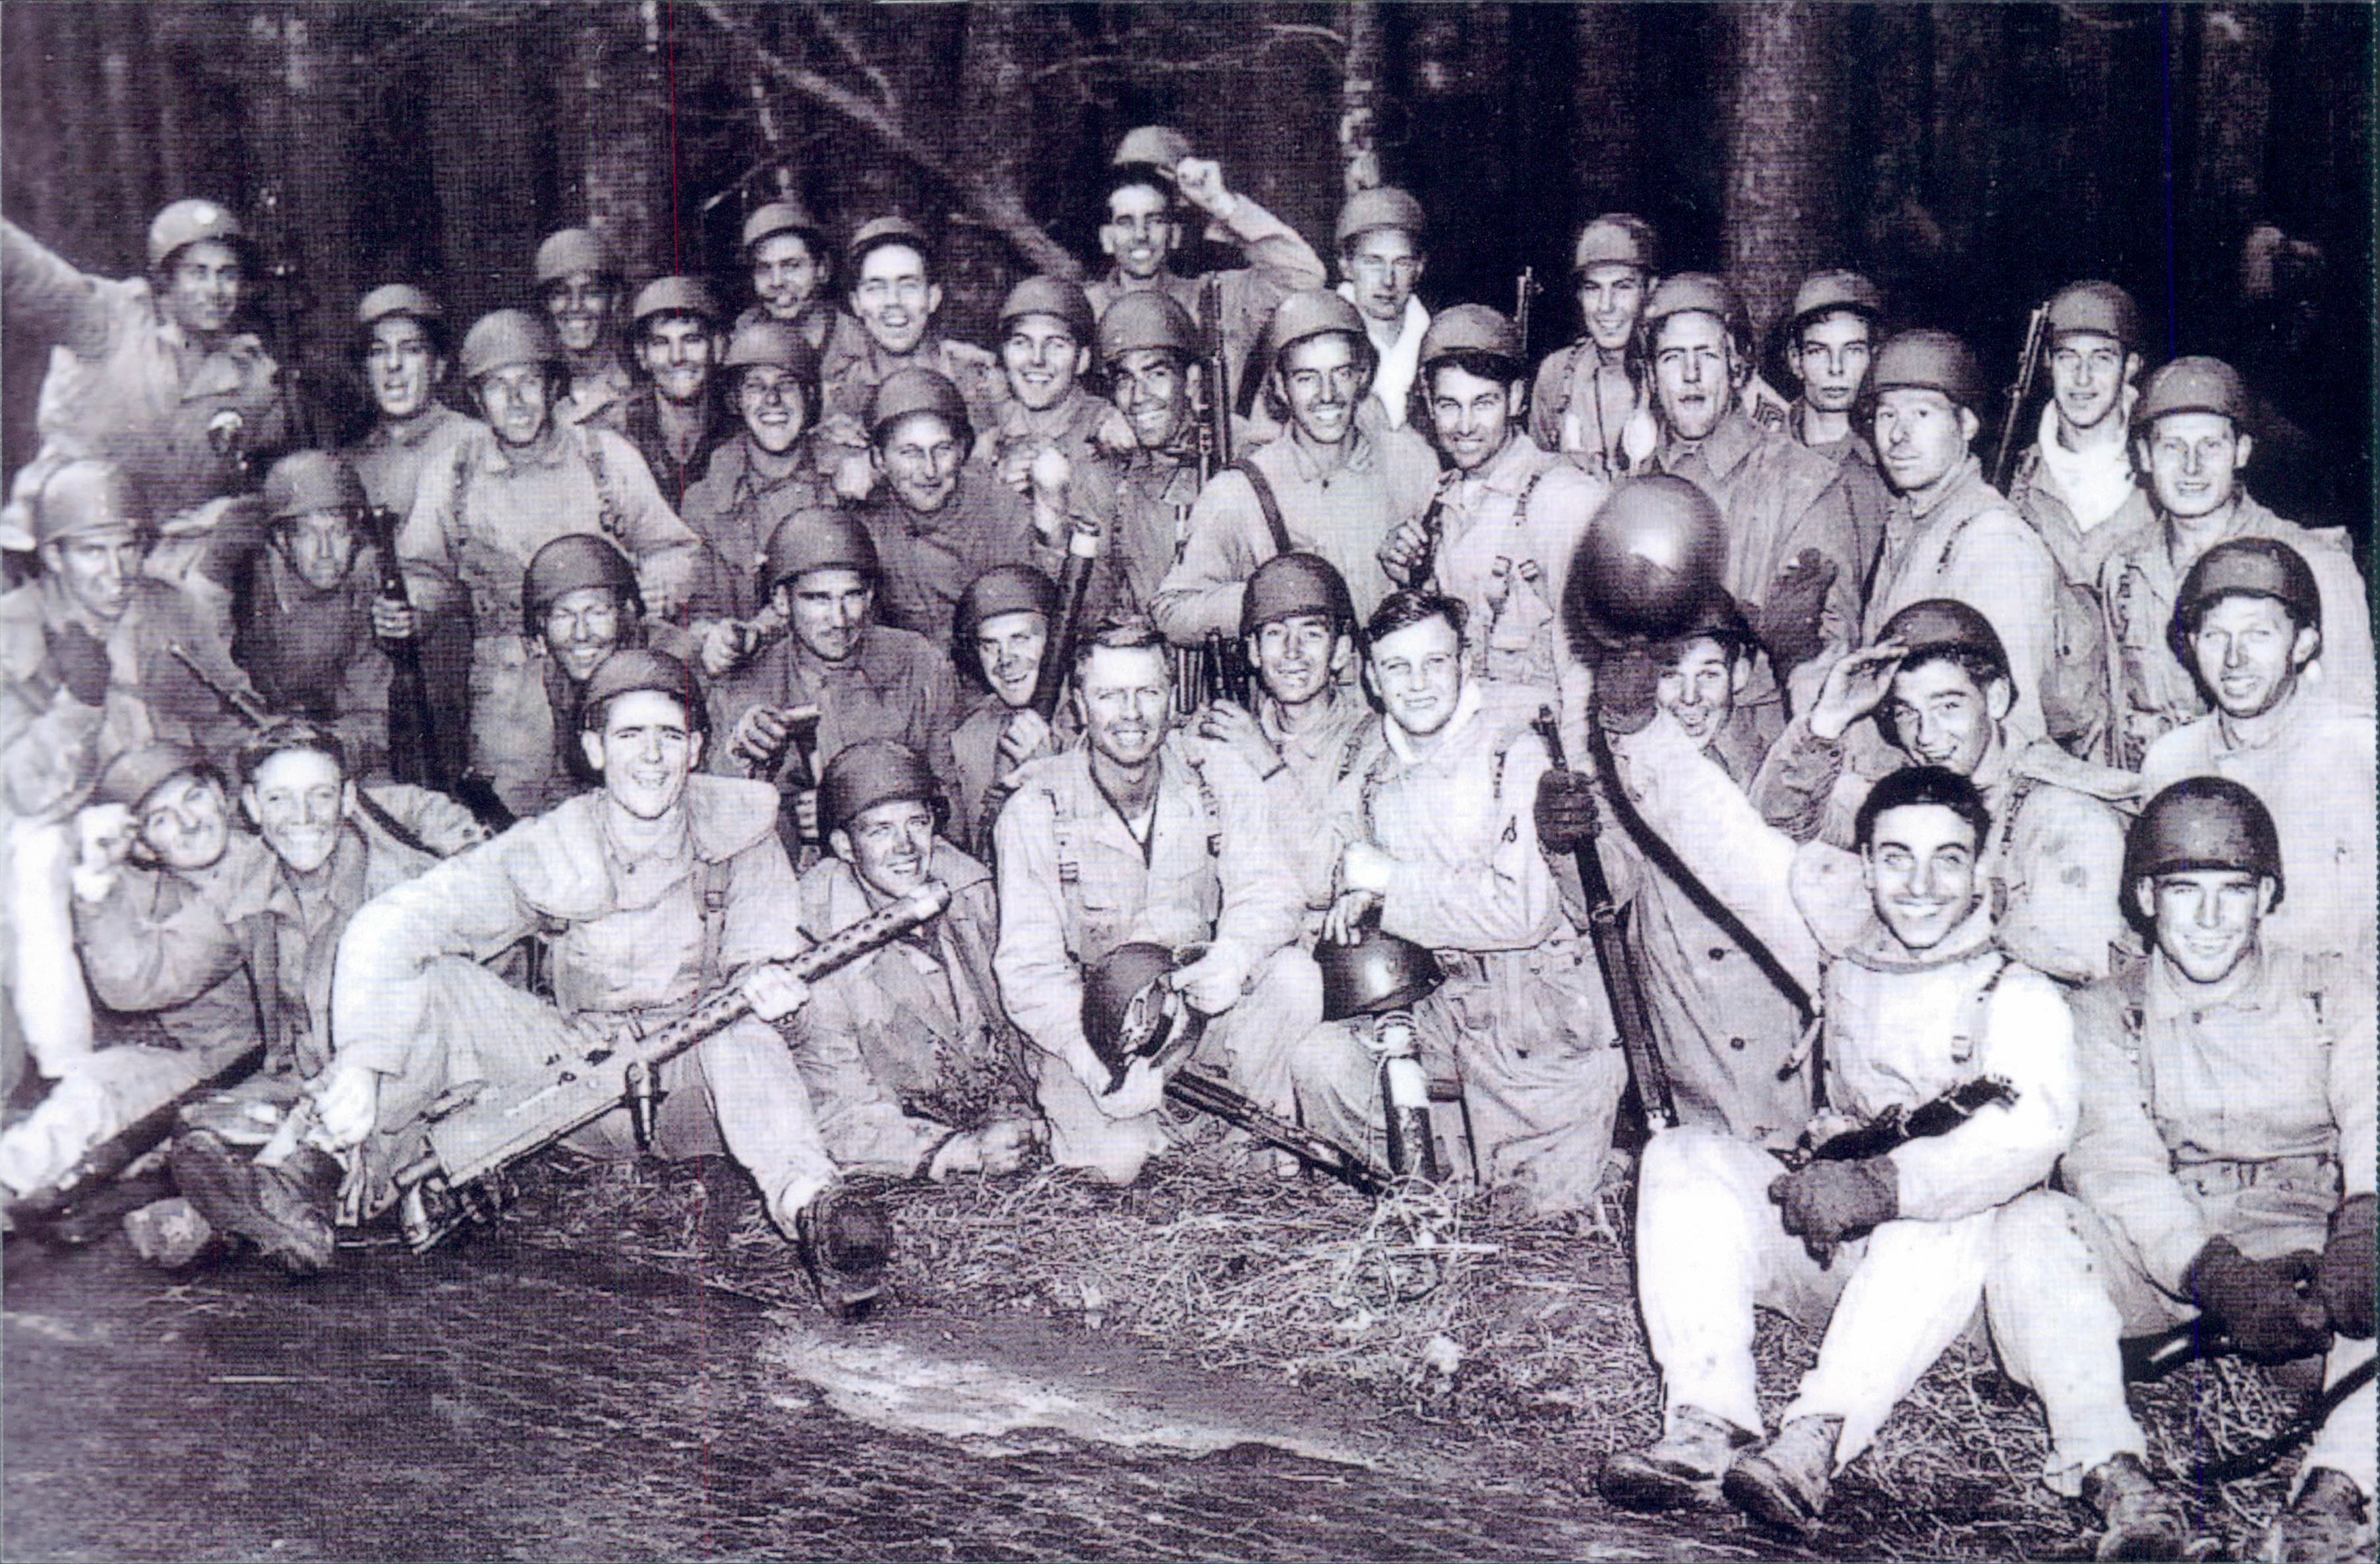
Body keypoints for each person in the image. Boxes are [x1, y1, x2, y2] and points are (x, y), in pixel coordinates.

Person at [1589, 760, 2087, 1551]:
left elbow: (2026, 1136)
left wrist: (1882, 1183)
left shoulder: (2017, 992)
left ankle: (1815, 1438)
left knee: (1958, 1205)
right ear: (1865, 866)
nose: (1920, 884)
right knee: (1683, 1153)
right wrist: (1632, 727)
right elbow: (1724, 837)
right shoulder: (1848, 956)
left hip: (1947, 1296)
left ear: (1981, 869)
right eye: (1896, 857)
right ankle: (1706, 1422)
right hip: (1841, 1253)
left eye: (1947, 858)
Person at [312, 650, 891, 1312]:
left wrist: (776, 998)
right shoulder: (551, 842)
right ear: (593, 747)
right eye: (629, 736)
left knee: (742, 1019)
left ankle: (821, 1216)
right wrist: (361, 1059)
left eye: (670, 735)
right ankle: (330, 1168)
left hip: (699, 1084)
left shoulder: (743, 829)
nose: (652, 756)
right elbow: (395, 923)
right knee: (437, 981)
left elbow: (769, 972)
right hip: (577, 1082)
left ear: (697, 746)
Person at [1990, 779, 2373, 1563]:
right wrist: (2215, 1276)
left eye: (2231, 891)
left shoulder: (2329, 987)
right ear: (2144, 897)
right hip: (2179, 1249)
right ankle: (2118, 1479)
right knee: (2027, 1224)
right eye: (2182, 890)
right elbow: (2115, 1161)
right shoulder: (2104, 1009)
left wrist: (2364, 1221)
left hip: (2312, 1236)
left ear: (2265, 895)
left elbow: (2373, 1106)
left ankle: (2334, 1494)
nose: (2206, 918)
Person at [1295, 591, 1624, 1215]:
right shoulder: (1372, 766)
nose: (1418, 685)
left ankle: (1564, 1159)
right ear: (1371, 676)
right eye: (1397, 667)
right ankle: (1438, 1172)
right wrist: (1348, 888)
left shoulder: (1515, 753)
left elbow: (1521, 913)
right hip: (1443, 1009)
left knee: (1528, 1235)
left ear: (1464, 662)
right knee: (1324, 1063)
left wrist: (1388, 884)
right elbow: (1322, 866)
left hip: (1536, 1021)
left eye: (1435, 662)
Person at [992, 618, 1318, 1186]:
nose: (1132, 713)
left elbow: (1269, 888)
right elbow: (1029, 970)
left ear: (1172, 695)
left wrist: (1234, 956)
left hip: (1198, 1008)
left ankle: (1249, 1150)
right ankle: (1158, 1133)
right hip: (1093, 1027)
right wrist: (1091, 1062)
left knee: (1293, 978)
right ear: (1079, 705)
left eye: (1148, 692)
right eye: (1110, 696)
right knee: (1114, 1168)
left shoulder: (1217, 776)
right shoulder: (1035, 812)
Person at [0, 462, 261, 1093]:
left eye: (128, 548)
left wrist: (254, 777)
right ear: (55, 556)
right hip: (68, 829)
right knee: (36, 866)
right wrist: (76, 707)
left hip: (173, 811)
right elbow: (24, 791)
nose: (117, 573)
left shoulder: (166, 608)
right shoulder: (13, 632)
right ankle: (67, 1072)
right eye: (94, 553)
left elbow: (227, 713)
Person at [398, 307, 702, 817]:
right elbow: (422, 572)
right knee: (518, 824)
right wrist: (414, 608)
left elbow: (675, 548)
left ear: (553, 386)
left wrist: (657, 587)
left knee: (628, 801)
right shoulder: (453, 474)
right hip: (508, 690)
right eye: (498, 386)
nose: (516, 401)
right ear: (477, 398)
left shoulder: (604, 458)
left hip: (609, 664)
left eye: (529, 383)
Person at [1752, 597, 2133, 984]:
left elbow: (2077, 975)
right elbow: (1777, 826)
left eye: (1948, 706)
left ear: (1996, 699)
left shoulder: (2067, 817)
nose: (1926, 737)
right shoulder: (1906, 793)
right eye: (1906, 713)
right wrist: (1827, 722)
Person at [1585, 590, 1813, 1147]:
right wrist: (1565, 845)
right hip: (1695, 1064)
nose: (1689, 698)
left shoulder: (1790, 765)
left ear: (1742, 674)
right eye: (1669, 674)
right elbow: (1600, 891)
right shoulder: (1626, 778)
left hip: (1790, 1069)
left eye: (1709, 674)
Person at [2098, 355, 2372, 767]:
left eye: (2211, 445)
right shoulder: (2125, 569)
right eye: (2173, 446)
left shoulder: (2315, 565)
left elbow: (2357, 729)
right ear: (2145, 456)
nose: (2192, 467)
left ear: (2241, 451)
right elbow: (2118, 723)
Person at [787, 739, 1042, 1183]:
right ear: (845, 846)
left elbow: (1035, 1015)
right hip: (907, 1128)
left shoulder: (972, 892)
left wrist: (1043, 1110)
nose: (906, 846)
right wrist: (956, 1152)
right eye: (880, 830)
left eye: (917, 823)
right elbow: (838, 1113)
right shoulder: (817, 945)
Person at [2141, 537, 2375, 965]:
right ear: (2192, 646)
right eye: (2216, 636)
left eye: (2258, 635)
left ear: (2303, 644)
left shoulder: (2359, 752)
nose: (2235, 659)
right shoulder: (2172, 762)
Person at [1152, 290, 1437, 642]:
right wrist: (1269, 597)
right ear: (1281, 388)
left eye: (1342, 373)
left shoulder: (1411, 463)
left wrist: (1419, 574)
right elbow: (1172, 611)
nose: (1327, 394)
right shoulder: (1240, 490)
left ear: (1362, 377)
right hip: (1289, 690)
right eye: (1306, 378)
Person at [1641, 273, 1860, 723]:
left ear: (1738, 368)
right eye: (1671, 358)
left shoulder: (1803, 482)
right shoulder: (1636, 485)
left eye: (1707, 355)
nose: (1690, 374)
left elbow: (1832, 651)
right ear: (1650, 375)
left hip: (1759, 733)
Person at [1, 201, 287, 532]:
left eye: (228, 275)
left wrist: (233, 509)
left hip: (161, 553)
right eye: (198, 273)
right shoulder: (108, 317)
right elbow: (26, 272)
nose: (215, 291)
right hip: (57, 533)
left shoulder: (252, 373)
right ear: (166, 279)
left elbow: (274, 476)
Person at [1379, 303, 1606, 690]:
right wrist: (1408, 578)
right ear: (1430, 406)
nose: (1465, 426)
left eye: (1484, 403)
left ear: (1516, 398)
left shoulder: (1563, 500)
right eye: (1450, 405)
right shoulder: (1440, 501)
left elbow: (1588, 669)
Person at [1862, 329, 2063, 748]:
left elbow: (2013, 723)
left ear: (1967, 424)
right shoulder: (1911, 523)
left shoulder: (1992, 540)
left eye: (1922, 414)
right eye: (1886, 415)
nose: (1898, 435)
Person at [720, 508, 961, 854]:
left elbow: (951, 799)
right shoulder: (750, 684)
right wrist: (786, 814)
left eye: (852, 596)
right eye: (818, 599)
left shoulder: (919, 663)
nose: (839, 619)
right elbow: (721, 820)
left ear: (871, 596)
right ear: (782, 601)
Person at [1083, 126, 1326, 420]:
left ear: (1174, 235)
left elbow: (1305, 276)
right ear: (1106, 238)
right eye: (1125, 222)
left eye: (1155, 221)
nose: (1141, 236)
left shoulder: (1216, 299)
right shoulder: (1084, 310)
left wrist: (1221, 204)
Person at [1189, 552, 1379, 922]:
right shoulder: (1221, 733)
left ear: (1340, 651)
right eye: (1275, 634)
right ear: (1254, 652)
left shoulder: (1369, 744)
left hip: (1324, 951)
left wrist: (1263, 759)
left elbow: (1325, 883)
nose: (1292, 652)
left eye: (1311, 634)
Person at [229, 452, 411, 777]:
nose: (326, 552)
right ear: (282, 540)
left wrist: (333, 747)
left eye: (338, 533)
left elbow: (371, 714)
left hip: (325, 750)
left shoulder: (363, 590)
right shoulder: (244, 589)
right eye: (309, 534)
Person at [852, 366, 1057, 649]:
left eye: (943, 449)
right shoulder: (866, 519)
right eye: (909, 453)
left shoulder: (1000, 510)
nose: (930, 470)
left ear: (962, 451)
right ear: (879, 459)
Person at [678, 318, 830, 674]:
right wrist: (714, 639)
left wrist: (760, 629)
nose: (772, 400)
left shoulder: (841, 483)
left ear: (809, 397)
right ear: (736, 401)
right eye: (756, 387)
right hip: (744, 679)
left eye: (786, 385)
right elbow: (694, 610)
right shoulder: (705, 501)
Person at [2004, 281, 2154, 587]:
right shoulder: (2012, 480)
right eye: (2068, 357)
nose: (2082, 378)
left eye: (2102, 359)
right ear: (2048, 363)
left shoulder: (2165, 476)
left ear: (2130, 367)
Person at [818, 216, 1006, 439]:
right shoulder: (838, 395)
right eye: (876, 288)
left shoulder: (981, 380)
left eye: (908, 286)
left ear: (933, 298)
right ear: (856, 304)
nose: (893, 302)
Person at [510, 533, 655, 814]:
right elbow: (566, 779)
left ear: (625, 614)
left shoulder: (662, 669)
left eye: (597, 613)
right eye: (563, 616)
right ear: (542, 624)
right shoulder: (557, 675)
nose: (581, 634)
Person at [1094, 291, 1209, 615]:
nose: (1138, 396)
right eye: (1125, 380)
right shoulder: (1112, 472)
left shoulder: (1239, 451)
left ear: (1191, 382)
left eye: (1156, 374)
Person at [1781, 269, 1893, 597]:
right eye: (1818, 351)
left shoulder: (1894, 462)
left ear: (1874, 357)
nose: (1836, 368)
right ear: (1795, 359)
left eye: (1853, 350)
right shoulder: (1763, 453)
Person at [1530, 213, 1663, 480]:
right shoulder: (1558, 375)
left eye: (1622, 288)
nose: (1605, 307)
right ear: (1579, 295)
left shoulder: (1673, 369)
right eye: (1593, 289)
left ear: (1649, 290)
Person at [948, 563, 1065, 858]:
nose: (1005, 661)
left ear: (1055, 643)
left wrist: (1051, 772)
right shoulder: (969, 737)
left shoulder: (1094, 722)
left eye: (1021, 639)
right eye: (990, 646)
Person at [342, 283, 480, 515]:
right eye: (379, 351)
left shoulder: (477, 444)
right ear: (365, 370)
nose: (393, 364)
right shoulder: (352, 465)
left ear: (438, 366)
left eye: (411, 350)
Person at [618, 275, 736, 512]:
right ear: (642, 355)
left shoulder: (739, 428)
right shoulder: (619, 433)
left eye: (691, 340)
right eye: (661, 343)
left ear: (718, 347)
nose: (677, 358)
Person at [1332, 187, 1430, 428]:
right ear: (1346, 266)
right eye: (1373, 262)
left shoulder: (1437, 339)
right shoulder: (1314, 337)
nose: (1388, 280)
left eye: (1402, 262)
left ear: (1419, 268)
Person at [734, 197, 865, 362]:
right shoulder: (743, 337)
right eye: (764, 269)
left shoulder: (858, 345)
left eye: (792, 266)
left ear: (822, 269)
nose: (777, 282)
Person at [532, 226, 633, 431]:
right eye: (561, 293)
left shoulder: (637, 377)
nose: (575, 306)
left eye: (591, 293)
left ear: (614, 300)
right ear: (547, 305)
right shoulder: (535, 383)